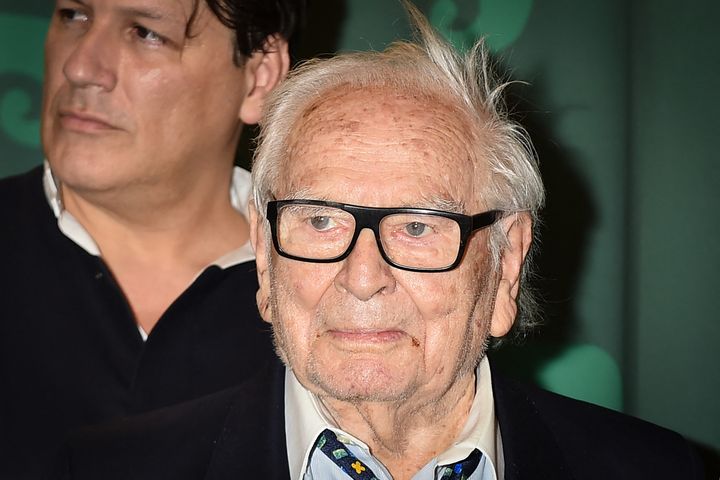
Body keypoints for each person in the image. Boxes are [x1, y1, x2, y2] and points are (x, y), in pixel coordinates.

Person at [54, 4, 704, 479]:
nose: (362, 276)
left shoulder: (655, 471)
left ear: (506, 264)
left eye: (419, 226)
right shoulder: (109, 469)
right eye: (319, 221)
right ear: (263, 251)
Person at [0, 0, 305, 478]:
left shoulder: (333, 295)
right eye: (73, 16)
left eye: (145, 33)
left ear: (259, 77)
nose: (80, 66)